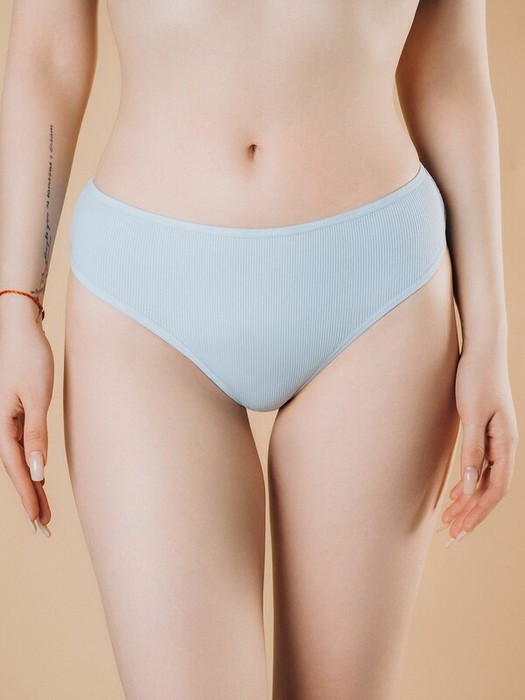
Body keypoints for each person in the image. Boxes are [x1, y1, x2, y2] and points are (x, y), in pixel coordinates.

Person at [0, 1, 519, 698]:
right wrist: (16, 303)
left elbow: (447, 63)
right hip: (144, 300)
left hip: (377, 293)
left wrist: (488, 333)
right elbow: (46, 51)